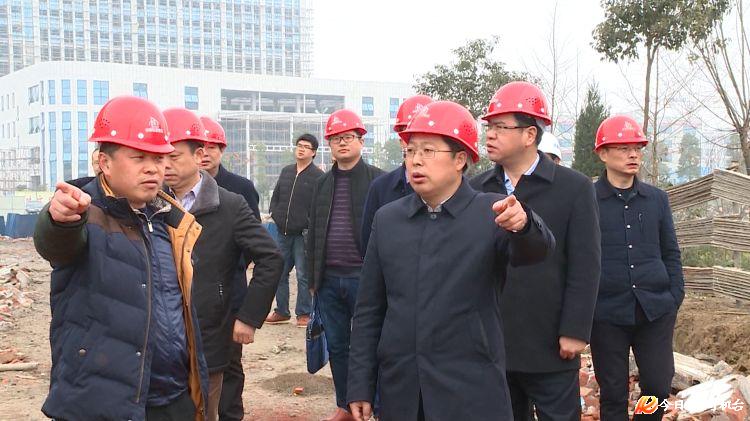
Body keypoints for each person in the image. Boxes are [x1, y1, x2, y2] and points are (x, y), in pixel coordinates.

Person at [347, 100, 556, 421]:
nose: (416, 160)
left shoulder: (492, 212)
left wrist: (525, 224)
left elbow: (535, 251)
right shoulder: (388, 220)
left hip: (470, 388)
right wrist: (360, 383)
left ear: (460, 159)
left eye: (428, 151)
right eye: (411, 151)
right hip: (403, 388)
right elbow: (369, 309)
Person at [33, 95, 208, 420]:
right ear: (105, 162)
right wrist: (59, 220)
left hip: (171, 398)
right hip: (101, 403)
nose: (153, 168)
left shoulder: (171, 221)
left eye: (159, 158)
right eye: (138, 157)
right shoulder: (86, 212)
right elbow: (56, 243)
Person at [469, 81, 600, 421]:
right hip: (493, 341)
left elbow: (586, 264)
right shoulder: (476, 189)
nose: (490, 135)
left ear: (530, 134)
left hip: (549, 341)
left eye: (501, 127)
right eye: (489, 127)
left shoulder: (573, 187)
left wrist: (575, 330)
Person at [163, 108, 284, 421]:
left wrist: (249, 316)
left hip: (211, 329)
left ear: (198, 155)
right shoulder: (151, 202)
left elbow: (270, 257)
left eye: (173, 157)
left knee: (206, 408)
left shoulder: (229, 204)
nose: (165, 165)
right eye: (160, 157)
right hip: (161, 332)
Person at [590, 115, 684, 420]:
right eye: (623, 148)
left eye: (637, 148)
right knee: (613, 392)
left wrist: (674, 297)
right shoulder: (588, 200)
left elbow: (671, 251)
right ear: (603, 154)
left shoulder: (656, 200)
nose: (633, 155)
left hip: (654, 310)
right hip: (606, 313)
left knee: (657, 387)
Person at [306, 109, 384, 421]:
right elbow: (313, 233)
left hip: (364, 278)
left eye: (348, 137)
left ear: (361, 141)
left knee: (370, 343)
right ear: (329, 144)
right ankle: (345, 404)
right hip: (329, 279)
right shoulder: (321, 184)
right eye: (336, 138)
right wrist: (312, 279)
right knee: (338, 345)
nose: (342, 143)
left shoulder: (378, 181)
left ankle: (375, 402)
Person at [199, 116, 259, 421]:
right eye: (200, 147)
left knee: (230, 363)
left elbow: (255, 243)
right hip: (194, 292)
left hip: (230, 289)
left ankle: (231, 415)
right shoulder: (173, 188)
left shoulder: (240, 188)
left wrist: (231, 268)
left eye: (212, 147)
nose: (206, 153)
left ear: (222, 150)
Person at [360, 95, 433, 252]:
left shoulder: (456, 188)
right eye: (409, 133)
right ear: (401, 140)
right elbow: (368, 246)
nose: (416, 139)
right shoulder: (381, 188)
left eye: (424, 132)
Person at [265, 133, 324, 327]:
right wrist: (275, 213)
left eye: (306, 147)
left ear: (313, 152)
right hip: (282, 232)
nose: (301, 149)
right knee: (279, 272)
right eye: (299, 145)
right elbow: (276, 196)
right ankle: (281, 311)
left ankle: (304, 313)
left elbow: (319, 206)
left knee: (303, 275)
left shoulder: (318, 177)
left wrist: (307, 223)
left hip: (302, 235)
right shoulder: (286, 171)